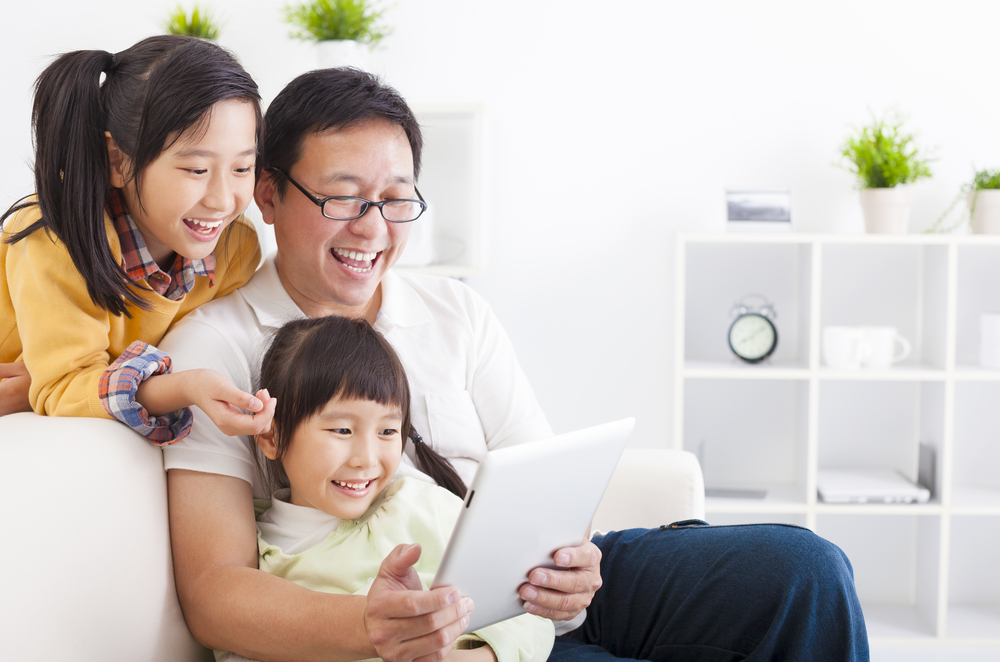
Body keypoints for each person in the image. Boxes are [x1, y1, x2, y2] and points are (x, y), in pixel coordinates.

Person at [159, 67, 869, 661]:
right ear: (270, 196)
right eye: (342, 198)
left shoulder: (455, 312)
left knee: (805, 571)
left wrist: (577, 564)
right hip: (410, 622)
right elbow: (215, 593)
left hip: (535, 591)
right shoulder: (216, 347)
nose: (373, 229)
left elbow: (548, 488)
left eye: (397, 201)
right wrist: (376, 628)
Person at [214, 314, 554, 662]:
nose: (367, 458)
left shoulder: (424, 507)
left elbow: (527, 613)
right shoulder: (253, 570)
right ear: (272, 435)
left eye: (387, 431)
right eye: (342, 431)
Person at [0, 35, 275, 442]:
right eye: (197, 170)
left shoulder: (235, 249)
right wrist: (177, 386)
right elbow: (60, 388)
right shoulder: (59, 234)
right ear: (118, 160)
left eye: (241, 168)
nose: (222, 200)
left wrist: (85, 377)